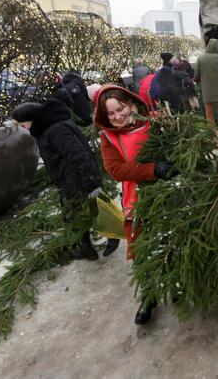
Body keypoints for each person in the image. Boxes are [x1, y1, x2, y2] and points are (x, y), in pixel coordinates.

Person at [93, 85, 174, 324]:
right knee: (142, 248)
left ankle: (178, 283)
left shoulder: (154, 123)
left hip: (167, 193)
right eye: (111, 114)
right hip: (136, 198)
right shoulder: (108, 137)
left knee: (171, 240)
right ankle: (149, 295)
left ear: (131, 104)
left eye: (121, 109)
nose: (118, 116)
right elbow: (116, 169)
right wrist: (152, 170)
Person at [12, 99, 103, 261]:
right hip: (69, 178)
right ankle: (85, 247)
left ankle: (91, 247)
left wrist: (91, 181)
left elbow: (78, 154)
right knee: (75, 215)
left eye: (23, 124)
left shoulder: (55, 130)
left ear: (31, 120)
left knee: (76, 215)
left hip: (75, 180)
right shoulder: (52, 125)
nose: (24, 128)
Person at [195, 38, 218, 125]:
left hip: (206, 90)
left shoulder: (200, 58)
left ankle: (211, 134)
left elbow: (196, 76)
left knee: (209, 115)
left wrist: (197, 81)